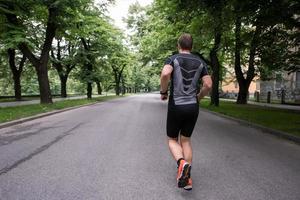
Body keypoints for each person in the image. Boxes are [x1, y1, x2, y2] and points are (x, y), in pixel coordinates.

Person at [160, 33, 212, 190]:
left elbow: (165, 73)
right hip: (192, 106)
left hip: (177, 105)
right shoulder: (200, 61)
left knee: (172, 140)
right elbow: (208, 84)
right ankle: (187, 179)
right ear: (192, 46)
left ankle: (181, 164)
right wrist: (199, 97)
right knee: (186, 140)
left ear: (178, 45)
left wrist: (163, 92)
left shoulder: (173, 58)